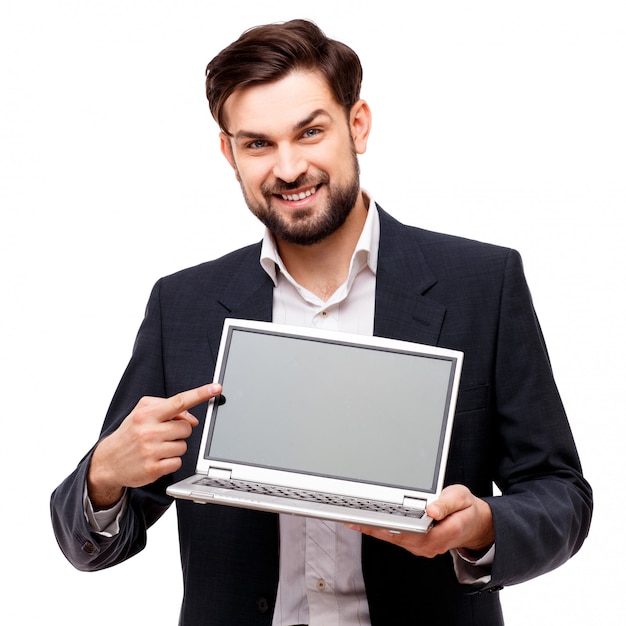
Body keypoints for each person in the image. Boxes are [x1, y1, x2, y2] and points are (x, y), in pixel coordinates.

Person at [50, 19, 592, 625]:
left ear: (356, 125)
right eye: (257, 144)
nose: (287, 169)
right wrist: (103, 475)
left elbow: (561, 494)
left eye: (310, 132)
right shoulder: (184, 303)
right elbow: (89, 543)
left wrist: (483, 527)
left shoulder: (482, 284)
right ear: (229, 152)